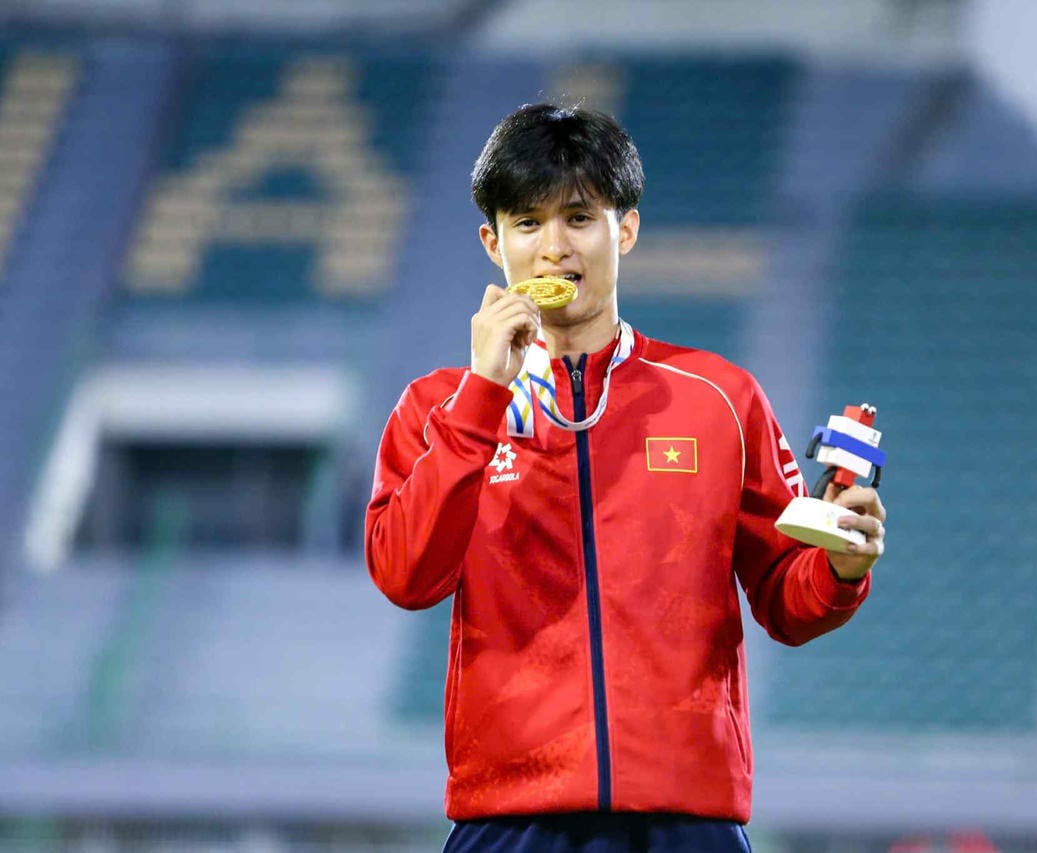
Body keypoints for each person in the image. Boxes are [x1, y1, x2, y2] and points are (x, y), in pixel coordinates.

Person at [364, 103, 887, 853]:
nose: (553, 248)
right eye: (526, 223)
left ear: (626, 229)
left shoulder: (719, 397)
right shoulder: (438, 406)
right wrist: (484, 394)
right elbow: (404, 574)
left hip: (688, 822)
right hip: (510, 821)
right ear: (492, 243)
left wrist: (840, 565)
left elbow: (786, 597)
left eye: (579, 217)